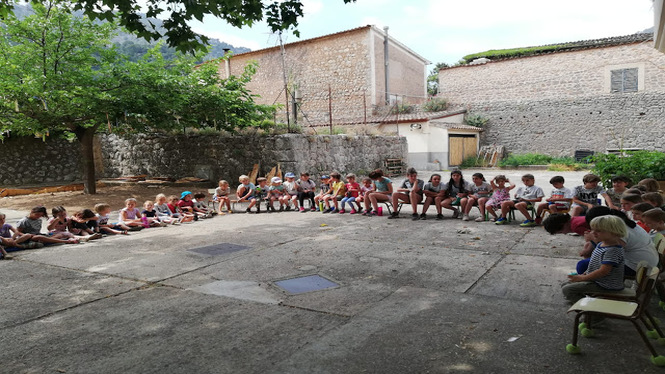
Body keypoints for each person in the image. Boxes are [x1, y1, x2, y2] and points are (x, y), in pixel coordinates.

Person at [561, 215, 627, 304]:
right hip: (598, 281)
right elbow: (594, 264)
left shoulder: (613, 250)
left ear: (615, 232)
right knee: (565, 285)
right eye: (593, 230)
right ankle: (588, 303)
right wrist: (585, 274)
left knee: (568, 289)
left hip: (605, 286)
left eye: (599, 231)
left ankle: (592, 310)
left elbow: (603, 271)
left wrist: (583, 278)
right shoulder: (601, 244)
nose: (593, 233)